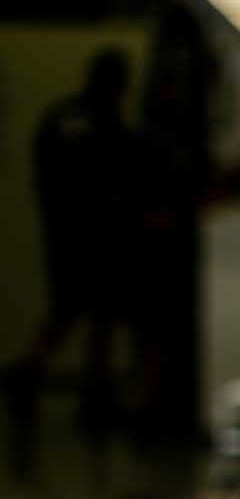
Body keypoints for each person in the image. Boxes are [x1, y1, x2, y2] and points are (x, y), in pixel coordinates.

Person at [7, 49, 142, 436]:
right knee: (94, 317)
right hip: (94, 234)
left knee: (71, 314)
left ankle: (40, 376)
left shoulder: (62, 116)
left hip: (63, 232)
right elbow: (119, 182)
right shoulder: (105, 123)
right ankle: (83, 391)